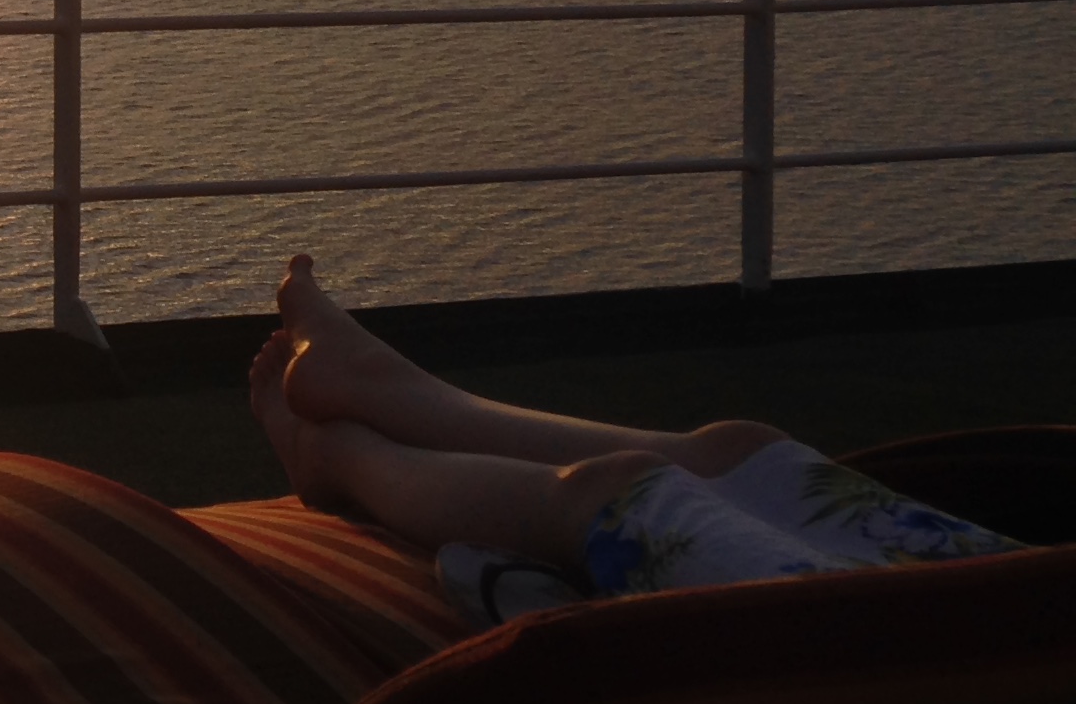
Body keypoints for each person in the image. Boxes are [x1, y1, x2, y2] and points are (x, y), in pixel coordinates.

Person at [252, 254, 1018, 614]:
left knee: (623, 499)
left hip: (930, 651)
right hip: (1005, 601)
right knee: (742, 453)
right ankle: (390, 391)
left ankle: (341, 455)